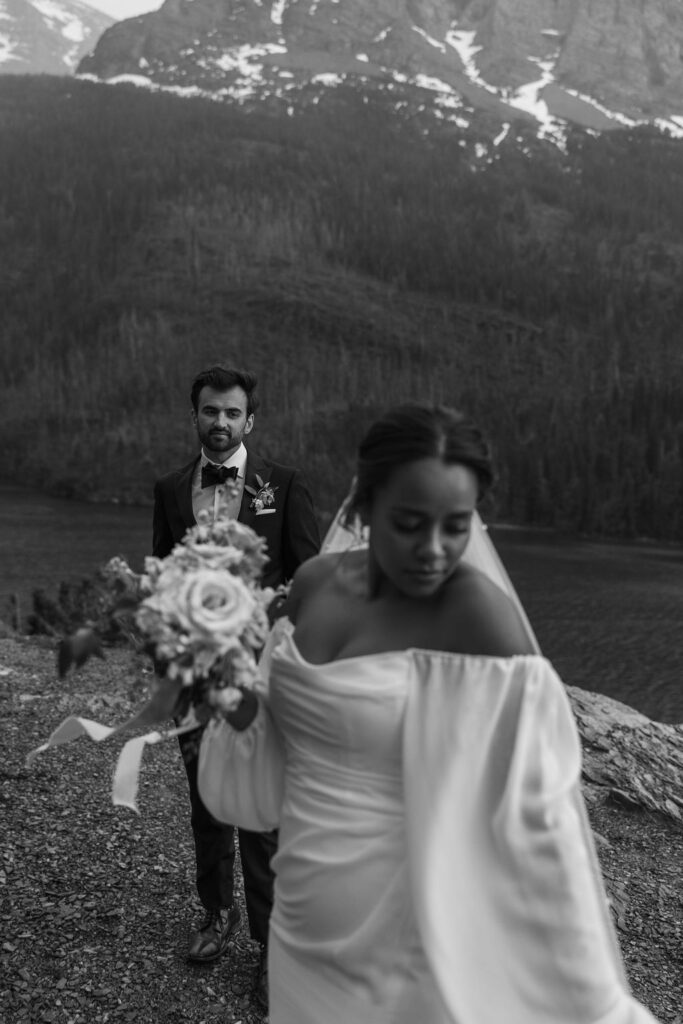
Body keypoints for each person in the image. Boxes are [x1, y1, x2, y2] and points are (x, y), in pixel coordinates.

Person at [197, 402, 659, 1024]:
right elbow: (267, 751)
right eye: (410, 524)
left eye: (456, 525)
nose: (434, 550)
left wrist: (589, 996)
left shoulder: (483, 621)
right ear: (363, 508)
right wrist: (224, 685)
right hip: (304, 916)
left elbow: (541, 817)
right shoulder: (312, 584)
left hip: (415, 938)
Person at [152, 365, 320, 1008]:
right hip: (196, 674)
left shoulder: (286, 484)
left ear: (250, 421)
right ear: (194, 416)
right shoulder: (170, 488)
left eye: (231, 413)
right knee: (205, 800)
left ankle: (273, 945)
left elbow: (308, 581)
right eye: (208, 412)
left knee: (262, 811)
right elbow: (164, 571)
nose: (219, 423)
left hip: (263, 678)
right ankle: (213, 915)